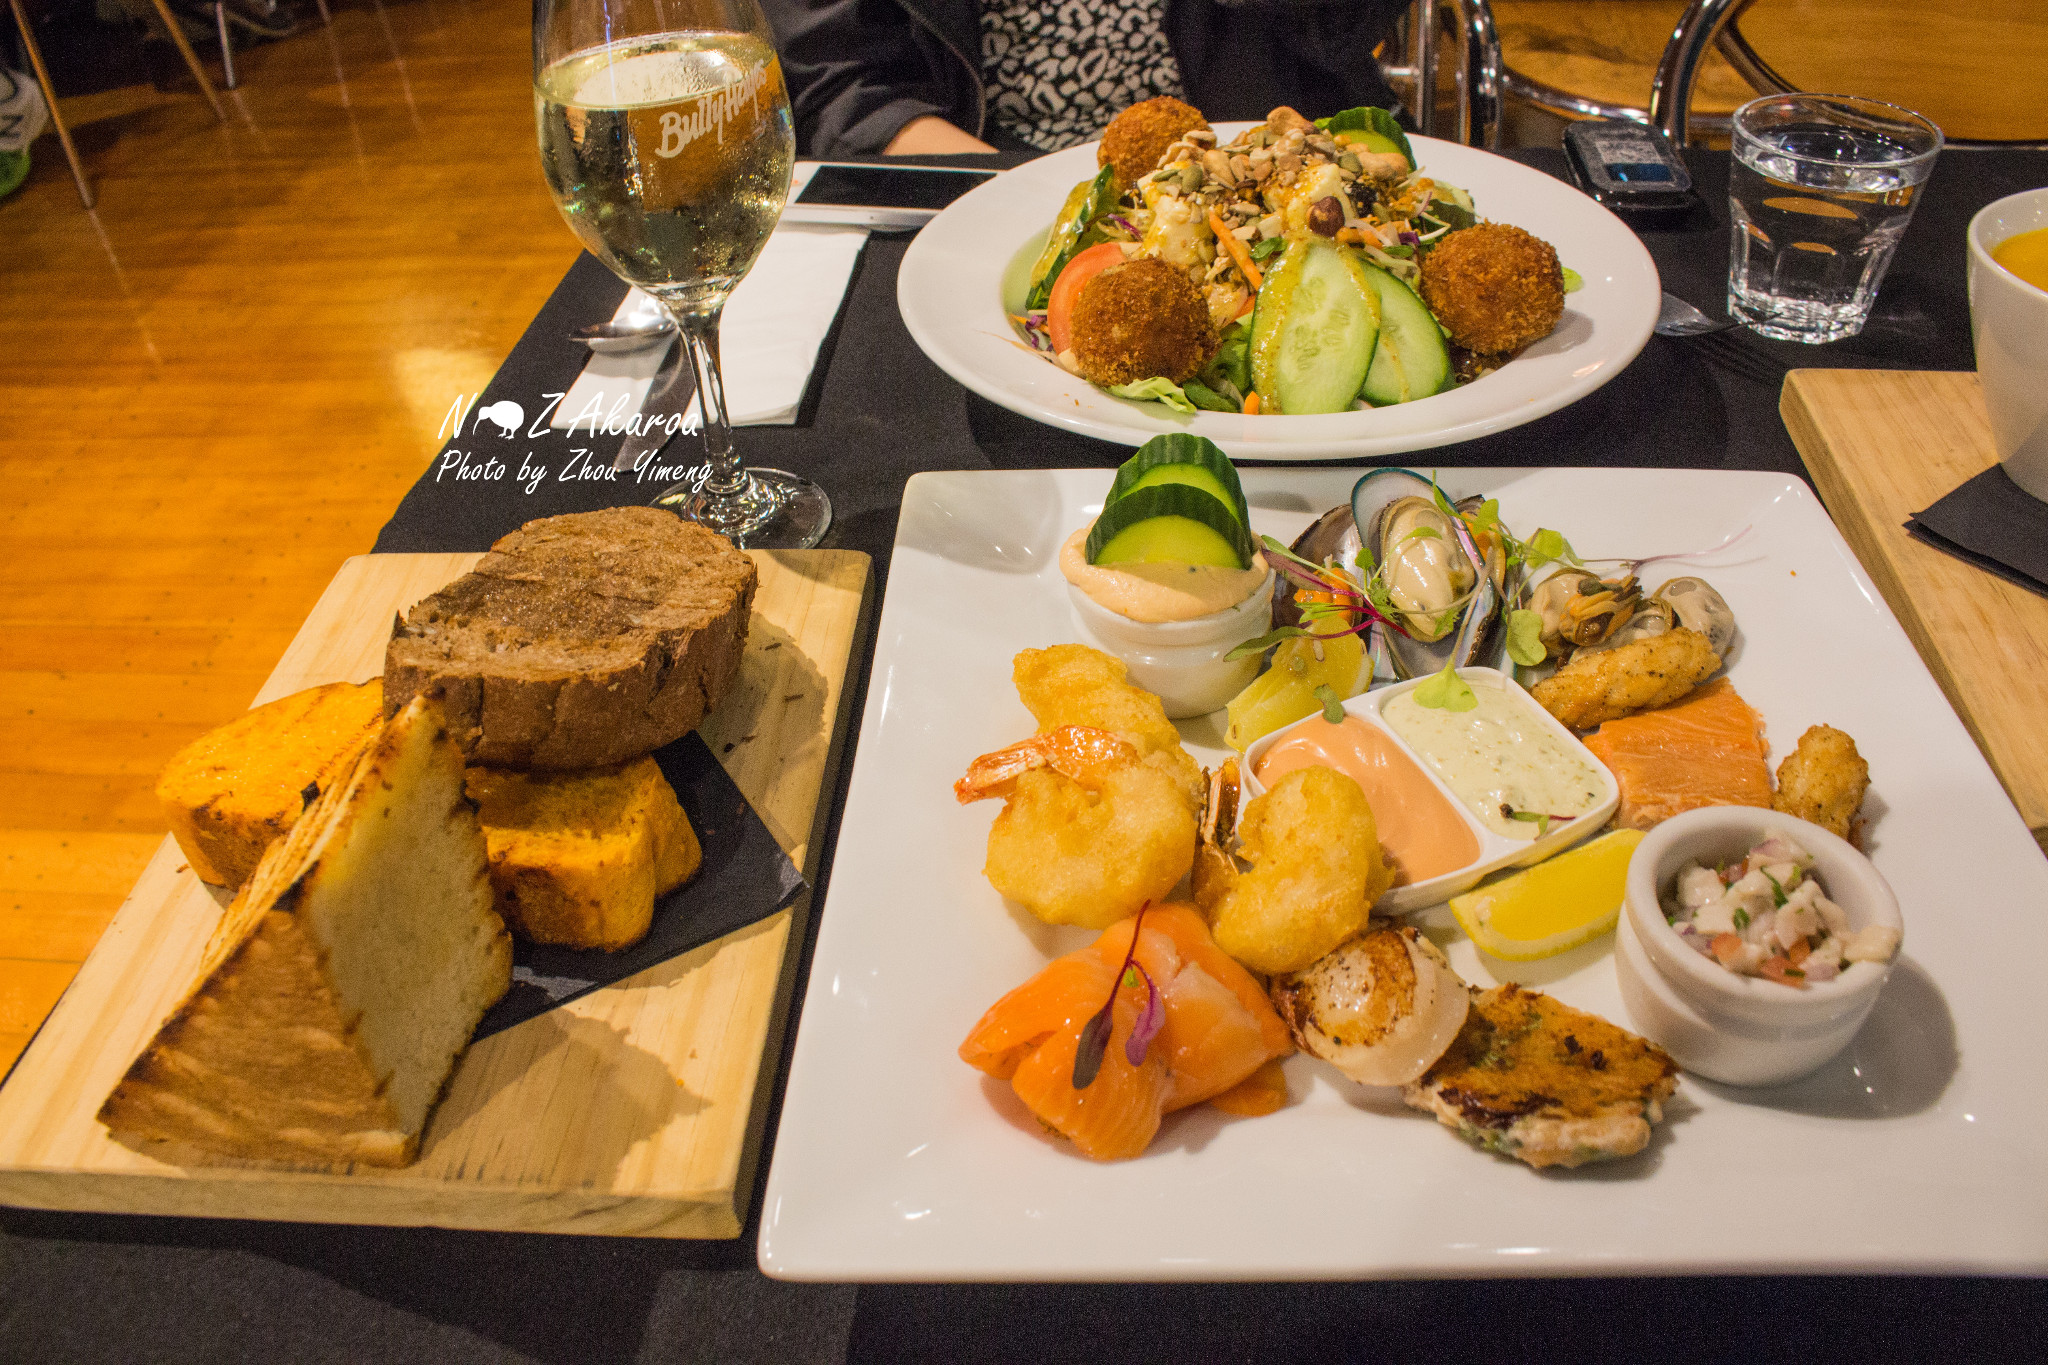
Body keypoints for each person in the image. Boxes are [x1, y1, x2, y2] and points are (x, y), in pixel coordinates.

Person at [760, 0, 1409, 158]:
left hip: (1278, 155)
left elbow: (1348, 24)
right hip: (983, 177)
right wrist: (1020, 197)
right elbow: (845, 89)